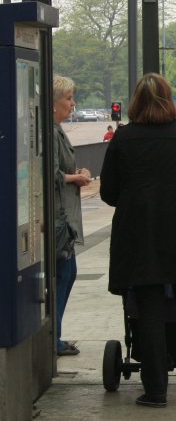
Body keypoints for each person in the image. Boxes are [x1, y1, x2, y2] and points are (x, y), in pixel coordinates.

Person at [100, 73, 176, 408]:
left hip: (139, 237)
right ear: (169, 100)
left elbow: (108, 193)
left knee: (149, 309)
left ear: (135, 102)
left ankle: (155, 391)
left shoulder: (123, 139)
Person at [53, 76, 90, 356]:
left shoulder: (57, 130)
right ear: (53, 103)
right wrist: (74, 177)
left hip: (62, 216)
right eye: (68, 98)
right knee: (64, 273)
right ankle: (53, 337)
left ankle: (55, 334)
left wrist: (77, 175)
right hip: (59, 218)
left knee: (67, 272)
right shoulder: (52, 133)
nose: (72, 104)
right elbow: (52, 173)